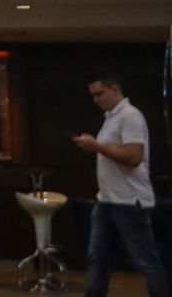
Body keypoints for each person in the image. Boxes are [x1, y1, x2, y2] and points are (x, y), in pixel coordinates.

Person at [72, 69, 169, 297]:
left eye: (100, 94)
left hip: (129, 202)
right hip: (106, 200)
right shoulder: (112, 117)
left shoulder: (130, 116)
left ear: (115, 89)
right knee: (98, 258)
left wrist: (96, 146)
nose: (96, 100)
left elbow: (133, 157)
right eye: (93, 96)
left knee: (146, 261)